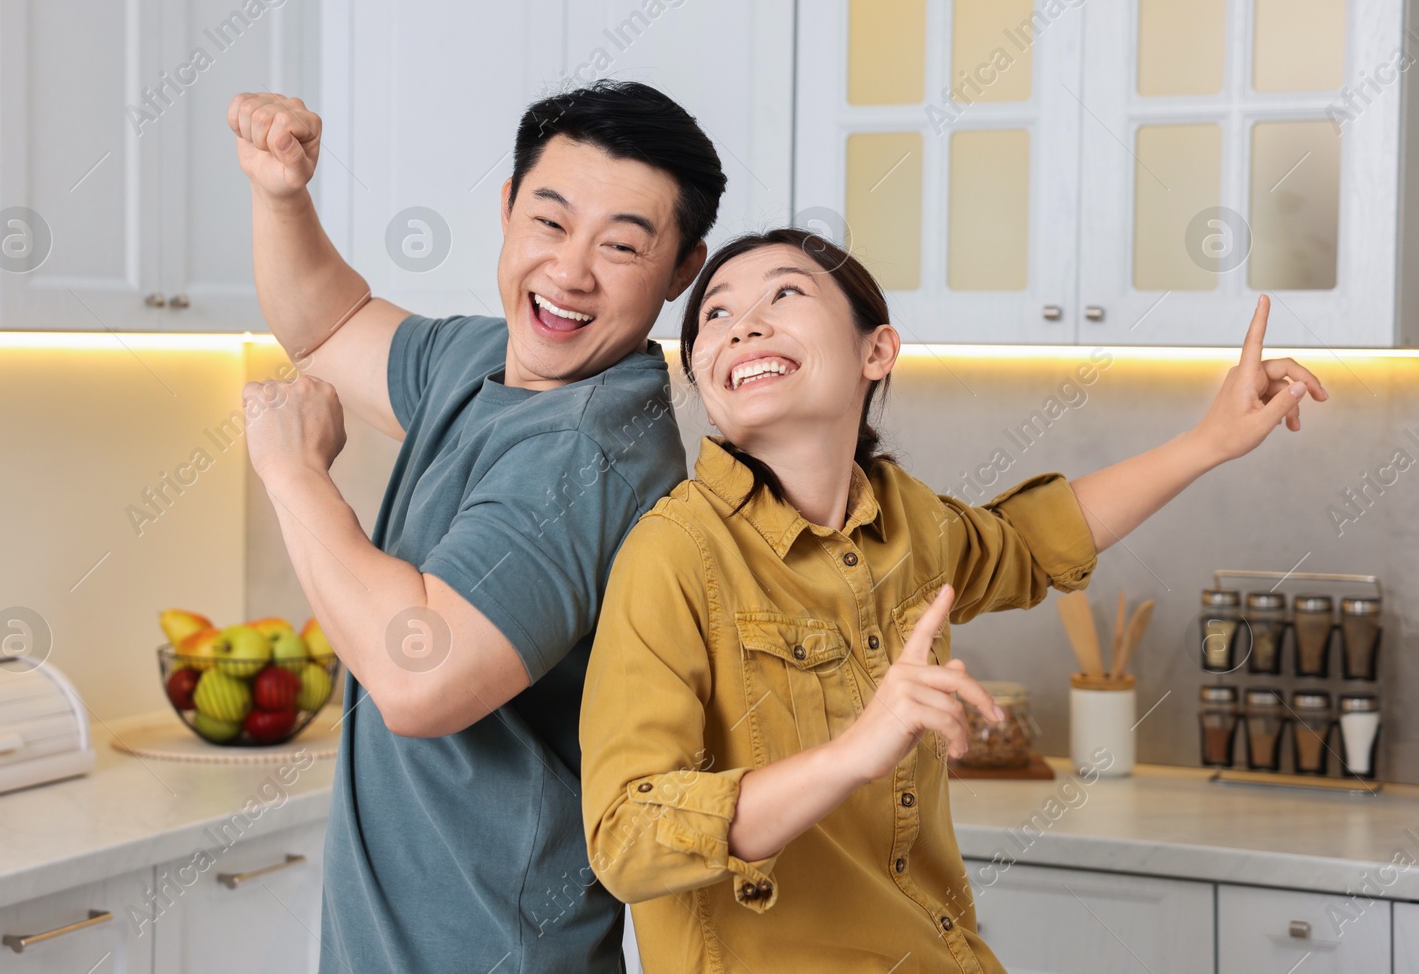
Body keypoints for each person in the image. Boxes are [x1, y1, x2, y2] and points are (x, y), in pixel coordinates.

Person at [580, 228, 1328, 973]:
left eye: (785, 292)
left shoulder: (905, 519)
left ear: (877, 351)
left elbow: (1032, 541)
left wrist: (1210, 440)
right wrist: (852, 754)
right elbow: (627, 836)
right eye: (715, 314)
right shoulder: (674, 552)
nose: (743, 324)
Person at [229, 80, 726, 971]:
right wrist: (282, 194)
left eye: (620, 245)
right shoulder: (485, 363)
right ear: (506, 210)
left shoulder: (585, 453)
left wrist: (292, 472)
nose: (571, 271)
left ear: (683, 269)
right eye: (550, 222)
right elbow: (327, 323)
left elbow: (419, 676)